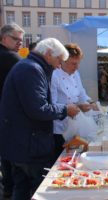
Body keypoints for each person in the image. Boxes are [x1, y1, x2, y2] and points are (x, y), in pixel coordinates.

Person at [0, 38, 80, 200]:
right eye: (59, 60)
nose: (59, 65)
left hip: (22, 143)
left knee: (21, 188)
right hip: (30, 145)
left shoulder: (29, 67)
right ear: (49, 53)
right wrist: (65, 109)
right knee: (40, 191)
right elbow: (38, 109)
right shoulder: (32, 70)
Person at [51, 43, 97, 161]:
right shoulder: (54, 76)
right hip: (60, 128)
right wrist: (78, 106)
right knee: (62, 158)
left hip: (76, 124)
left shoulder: (76, 73)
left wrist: (90, 102)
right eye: (73, 64)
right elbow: (52, 104)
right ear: (63, 61)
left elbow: (81, 93)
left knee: (78, 155)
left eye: (78, 63)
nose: (76, 67)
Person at [0, 23, 24, 199]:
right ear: (4, 38)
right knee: (12, 155)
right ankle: (11, 187)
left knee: (4, 153)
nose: (20, 43)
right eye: (16, 39)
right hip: (9, 115)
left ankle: (7, 187)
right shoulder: (11, 58)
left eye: (21, 40)